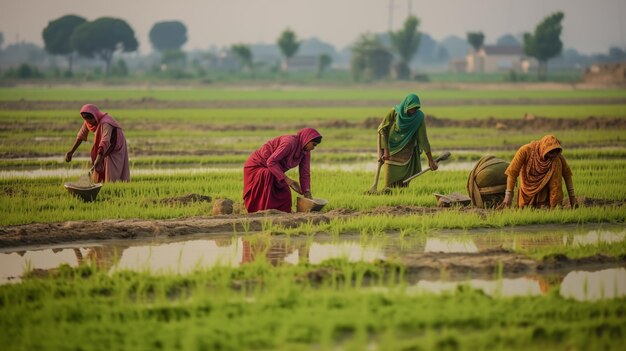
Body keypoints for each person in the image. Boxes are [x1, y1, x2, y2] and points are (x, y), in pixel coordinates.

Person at [243, 128, 322, 213]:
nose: (313, 148)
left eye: (315, 146)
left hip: (274, 170)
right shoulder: (289, 143)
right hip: (257, 167)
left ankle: (282, 213)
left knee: (284, 191)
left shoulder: (305, 151)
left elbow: (305, 173)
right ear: (307, 139)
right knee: (270, 176)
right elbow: (271, 162)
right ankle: (263, 211)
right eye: (313, 144)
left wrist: (307, 192)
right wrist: (288, 180)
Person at [377, 93, 437, 191]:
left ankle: (402, 195)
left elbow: (423, 139)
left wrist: (430, 159)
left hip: (407, 150)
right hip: (391, 148)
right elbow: (383, 129)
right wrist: (385, 151)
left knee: (404, 183)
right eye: (411, 108)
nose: (413, 111)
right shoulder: (394, 112)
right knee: (388, 184)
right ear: (406, 106)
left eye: (416, 108)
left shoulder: (419, 117)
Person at [501, 135, 576, 209]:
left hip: (545, 194)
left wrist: (572, 199)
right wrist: (508, 196)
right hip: (527, 189)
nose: (553, 155)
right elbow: (512, 172)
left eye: (556, 152)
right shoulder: (525, 151)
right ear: (543, 148)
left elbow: (567, 175)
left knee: (557, 163)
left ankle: (555, 207)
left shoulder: (556, 158)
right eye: (550, 152)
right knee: (525, 208)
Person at [65, 104, 130, 183]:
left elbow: (105, 141)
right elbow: (81, 136)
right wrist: (71, 152)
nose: (89, 123)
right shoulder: (88, 122)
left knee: (112, 172)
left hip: (116, 145)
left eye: (90, 120)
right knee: (100, 167)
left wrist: (98, 158)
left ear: (95, 116)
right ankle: (101, 186)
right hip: (105, 147)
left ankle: (113, 188)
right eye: (86, 120)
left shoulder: (105, 123)